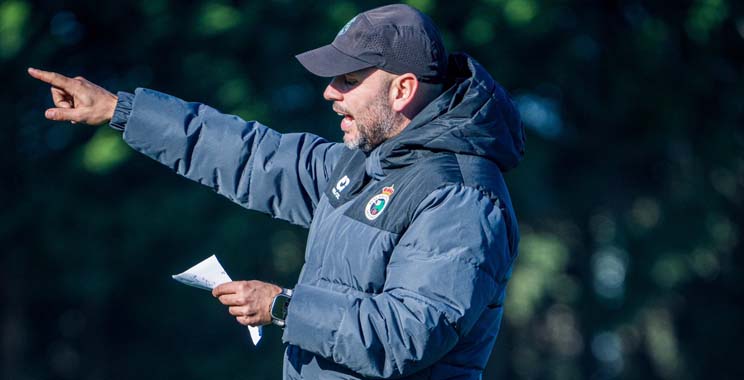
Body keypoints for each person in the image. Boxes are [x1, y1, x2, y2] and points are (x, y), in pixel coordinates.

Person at [29, 4, 525, 379]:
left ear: (403, 90)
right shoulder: (362, 162)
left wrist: (283, 306)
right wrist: (121, 110)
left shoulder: (461, 198)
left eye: (349, 80)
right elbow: (249, 155)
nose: (330, 92)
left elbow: (407, 333)